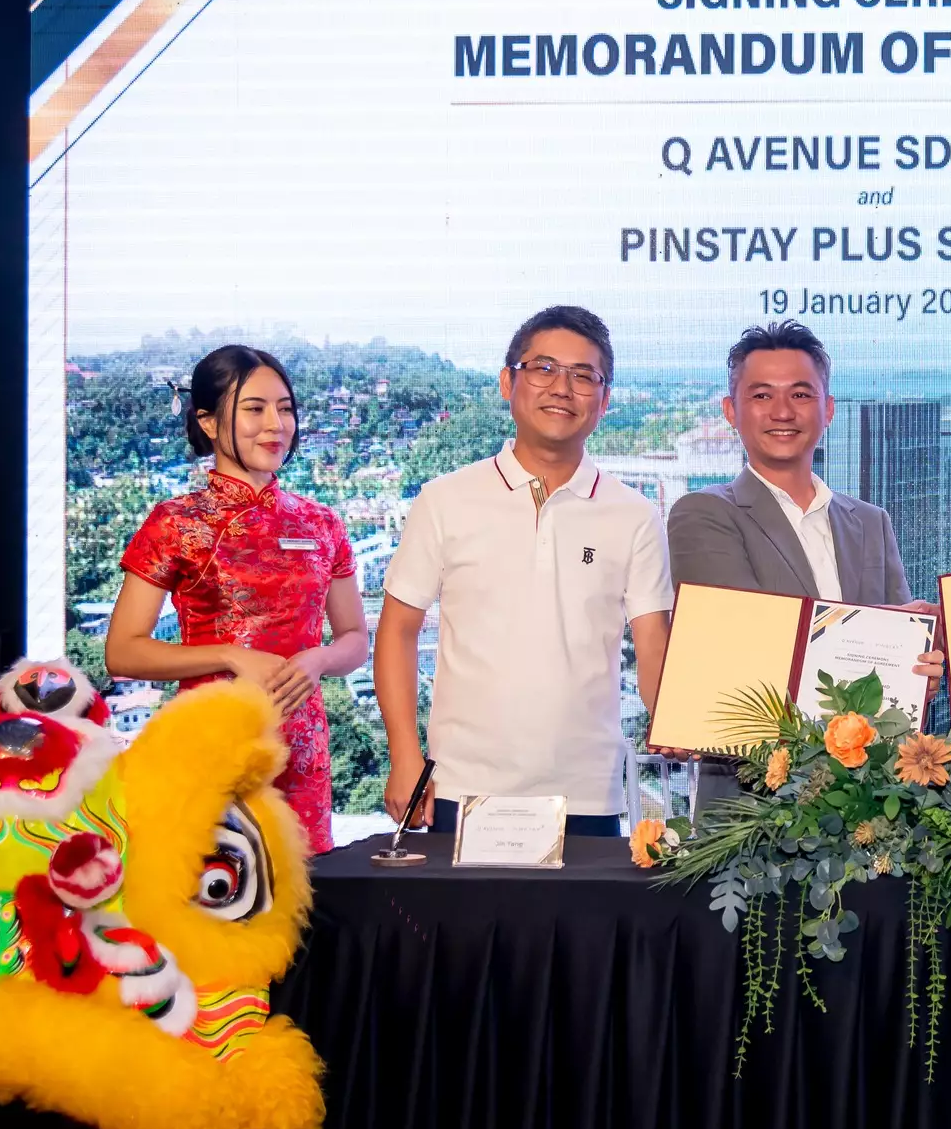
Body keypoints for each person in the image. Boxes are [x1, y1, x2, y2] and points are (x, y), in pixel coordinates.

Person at [374, 305, 673, 836]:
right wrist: (404, 755)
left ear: (604, 400)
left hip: (586, 792)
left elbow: (653, 646)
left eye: (584, 376)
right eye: (544, 368)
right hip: (462, 786)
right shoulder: (444, 500)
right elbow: (397, 631)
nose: (562, 388)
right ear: (507, 382)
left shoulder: (635, 516)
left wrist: (678, 722)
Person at [667, 320, 944, 812]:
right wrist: (877, 644)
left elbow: (900, 680)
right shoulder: (703, 513)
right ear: (731, 411)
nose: (782, 411)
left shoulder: (872, 523)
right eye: (761, 395)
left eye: (800, 394)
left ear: (828, 410)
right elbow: (746, 659)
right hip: (755, 810)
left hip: (872, 810)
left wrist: (920, 669)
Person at [108, 345, 367, 854]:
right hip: (211, 745)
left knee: (301, 893)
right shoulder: (176, 522)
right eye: (254, 409)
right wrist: (229, 655)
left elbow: (355, 639)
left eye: (285, 409)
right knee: (214, 887)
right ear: (207, 422)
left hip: (301, 752)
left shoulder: (321, 522)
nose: (276, 424)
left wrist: (319, 659)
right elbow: (122, 652)